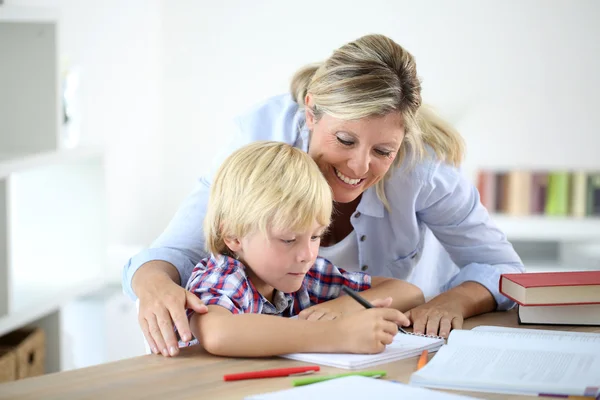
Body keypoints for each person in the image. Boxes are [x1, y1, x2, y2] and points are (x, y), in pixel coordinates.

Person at [123, 33, 524, 358]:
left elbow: (498, 268)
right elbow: (182, 256)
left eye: (383, 152)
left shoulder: (422, 171)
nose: (359, 167)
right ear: (311, 112)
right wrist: (153, 284)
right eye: (345, 140)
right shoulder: (259, 148)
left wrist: (448, 302)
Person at [184, 141, 425, 356]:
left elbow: (409, 292)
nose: (308, 255)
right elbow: (218, 333)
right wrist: (338, 334)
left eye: (316, 236)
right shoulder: (222, 275)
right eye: (288, 240)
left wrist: (342, 308)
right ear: (233, 236)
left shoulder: (307, 275)